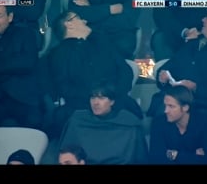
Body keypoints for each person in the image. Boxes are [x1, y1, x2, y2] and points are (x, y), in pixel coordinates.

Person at [147, 7, 207, 137]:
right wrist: (163, 76)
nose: (203, 19)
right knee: (164, 109)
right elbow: (169, 67)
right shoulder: (191, 45)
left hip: (202, 106)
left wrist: (196, 88)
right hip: (174, 100)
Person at [46, 10, 143, 139]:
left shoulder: (102, 44)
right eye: (79, 18)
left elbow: (125, 71)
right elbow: (64, 88)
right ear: (69, 24)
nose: (85, 21)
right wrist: (96, 99)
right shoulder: (58, 54)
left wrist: (112, 97)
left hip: (116, 102)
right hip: (82, 107)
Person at [59, 81, 148, 164]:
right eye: (93, 97)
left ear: (112, 101)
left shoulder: (129, 123)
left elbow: (140, 159)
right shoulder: (78, 121)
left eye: (101, 98)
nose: (96, 102)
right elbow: (65, 154)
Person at [149, 85, 207, 164]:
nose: (166, 111)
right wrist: (193, 156)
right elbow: (156, 158)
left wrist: (175, 155)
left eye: (171, 106)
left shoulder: (205, 123)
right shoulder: (159, 123)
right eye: (165, 105)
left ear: (185, 107)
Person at [68, 0, 143, 59]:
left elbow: (128, 20)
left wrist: (92, 9)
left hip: (119, 36)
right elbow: (76, 13)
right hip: (88, 34)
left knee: (122, 45)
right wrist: (110, 9)